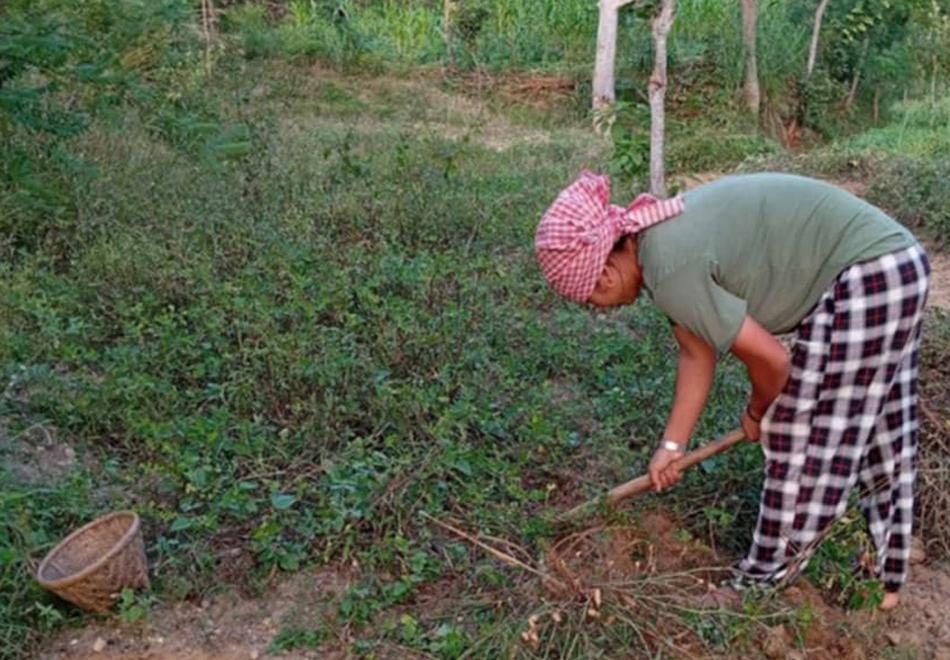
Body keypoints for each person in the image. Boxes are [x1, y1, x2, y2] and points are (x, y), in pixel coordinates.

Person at [534, 171, 930, 611]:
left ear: (604, 274)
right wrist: (671, 446)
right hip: (894, 264)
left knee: (800, 434)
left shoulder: (669, 266)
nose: (597, 309)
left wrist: (760, 411)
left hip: (869, 274)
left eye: (590, 301)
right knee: (879, 427)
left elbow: (774, 361)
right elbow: (695, 354)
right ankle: (886, 575)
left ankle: (760, 583)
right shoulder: (659, 247)